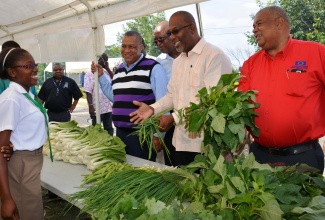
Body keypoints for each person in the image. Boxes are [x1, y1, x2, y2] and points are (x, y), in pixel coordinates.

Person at [130, 11, 232, 166]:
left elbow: (211, 102)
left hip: (207, 144)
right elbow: (172, 95)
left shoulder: (214, 56)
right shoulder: (179, 61)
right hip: (180, 143)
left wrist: (173, 119)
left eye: (175, 31)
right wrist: (152, 109)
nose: (171, 37)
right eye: (170, 33)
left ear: (192, 28)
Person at [238, 6, 325, 173]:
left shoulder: (316, 53)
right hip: (260, 158)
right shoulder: (250, 65)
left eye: (259, 24)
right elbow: (241, 107)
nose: (254, 29)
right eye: (253, 26)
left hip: (303, 160)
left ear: (279, 23)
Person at [91, 30, 168, 161]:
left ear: (141, 47)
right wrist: (101, 77)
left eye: (131, 46)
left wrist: (158, 135)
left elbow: (164, 104)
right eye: (124, 46)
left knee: (143, 175)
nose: (126, 50)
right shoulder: (119, 70)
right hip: (120, 134)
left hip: (143, 136)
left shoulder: (153, 68)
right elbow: (115, 98)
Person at [0, 47, 47, 219]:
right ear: (12, 72)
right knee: (28, 213)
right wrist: (6, 199)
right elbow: (0, 150)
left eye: (34, 64)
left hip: (30, 162)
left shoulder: (26, 95)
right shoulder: (12, 98)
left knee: (32, 210)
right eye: (28, 66)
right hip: (21, 164)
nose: (35, 69)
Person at [154, 20, 181, 166]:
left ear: (172, 34)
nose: (159, 44)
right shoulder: (158, 63)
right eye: (155, 41)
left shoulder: (189, 56)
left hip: (193, 114)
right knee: (174, 162)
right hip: (169, 119)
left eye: (161, 39)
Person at [84, 53, 114, 135]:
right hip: (97, 107)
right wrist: (90, 106)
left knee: (108, 128)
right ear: (98, 60)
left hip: (108, 107)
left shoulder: (106, 72)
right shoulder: (89, 74)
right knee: (96, 129)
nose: (105, 62)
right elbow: (88, 91)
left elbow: (115, 81)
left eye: (106, 60)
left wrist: (107, 68)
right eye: (104, 60)